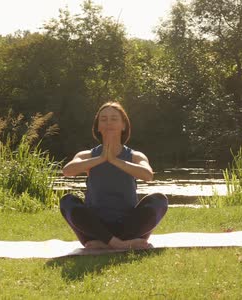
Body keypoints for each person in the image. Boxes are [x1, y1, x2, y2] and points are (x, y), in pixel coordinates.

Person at [60, 102, 168, 250]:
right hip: (95, 228)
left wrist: (115, 161)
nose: (108, 123)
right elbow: (67, 171)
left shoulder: (135, 156)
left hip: (129, 225)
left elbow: (148, 175)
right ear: (98, 126)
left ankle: (109, 243)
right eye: (103, 119)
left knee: (159, 200)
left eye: (114, 119)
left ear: (124, 125)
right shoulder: (87, 155)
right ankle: (120, 244)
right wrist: (101, 159)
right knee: (67, 201)